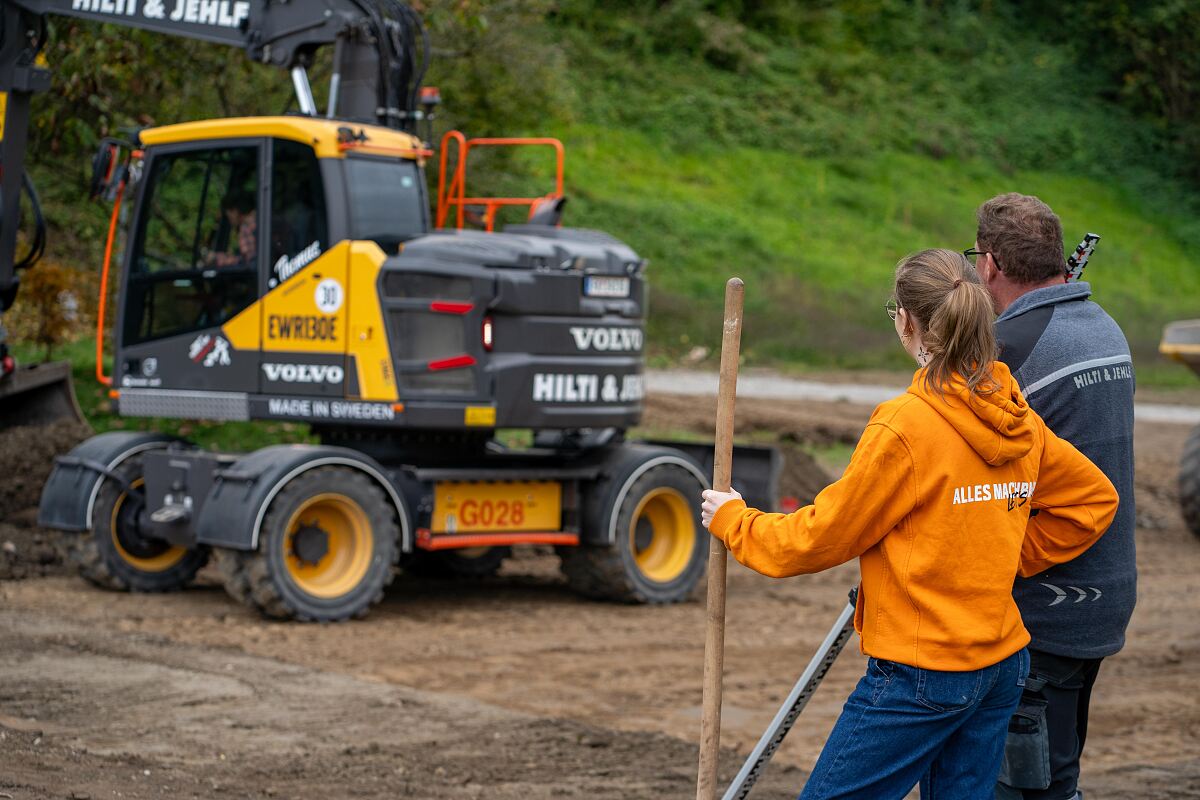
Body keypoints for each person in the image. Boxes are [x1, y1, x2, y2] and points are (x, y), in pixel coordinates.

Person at [700, 248, 1118, 800]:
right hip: (999, 668)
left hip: (923, 674)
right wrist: (996, 552)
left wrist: (735, 521)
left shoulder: (906, 427)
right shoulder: (1013, 412)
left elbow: (821, 537)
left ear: (908, 321)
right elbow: (1092, 500)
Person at [970, 193, 1136, 800]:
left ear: (989, 263)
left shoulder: (1012, 347)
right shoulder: (1104, 326)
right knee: (1054, 778)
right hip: (1101, 592)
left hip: (1044, 603)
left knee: (1020, 788)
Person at [209, 187, 257, 268]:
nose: (229, 219)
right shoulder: (262, 220)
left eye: (228, 214)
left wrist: (219, 260)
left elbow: (249, 262)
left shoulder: (246, 227)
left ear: (235, 211)